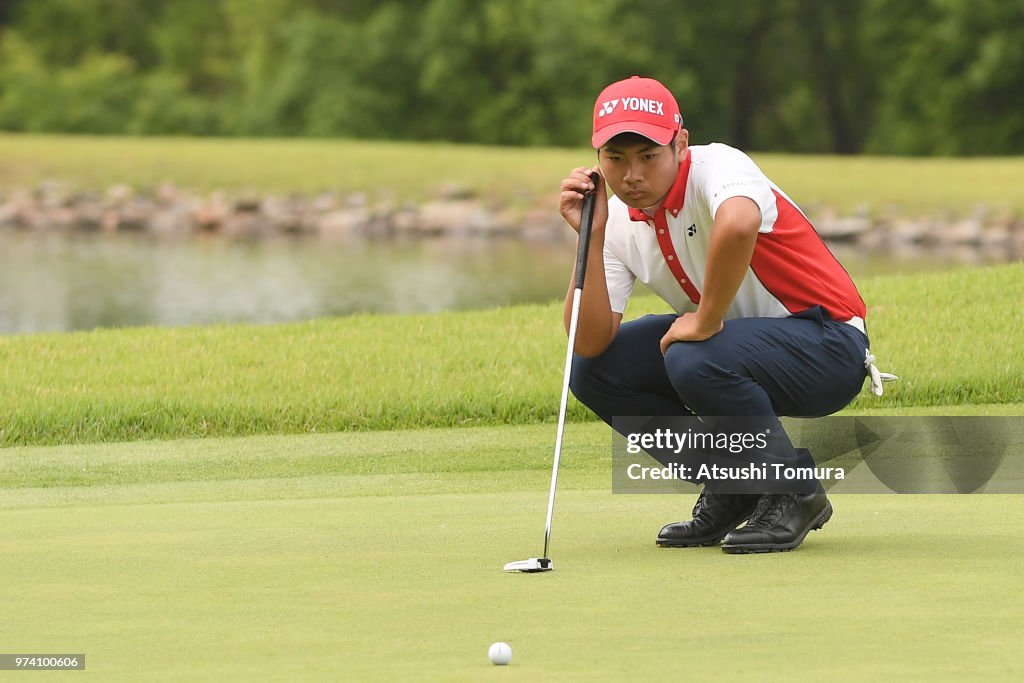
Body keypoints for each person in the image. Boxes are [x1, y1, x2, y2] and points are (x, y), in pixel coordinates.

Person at [559, 76, 889, 554]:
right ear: (598, 159)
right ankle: (736, 484)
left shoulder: (719, 166)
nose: (631, 175)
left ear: (681, 144)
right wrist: (589, 236)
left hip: (829, 345)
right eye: (616, 158)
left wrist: (706, 318)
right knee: (594, 369)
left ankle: (793, 491)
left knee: (693, 355)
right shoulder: (614, 221)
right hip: (734, 348)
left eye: (648, 156)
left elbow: (738, 223)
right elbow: (587, 341)